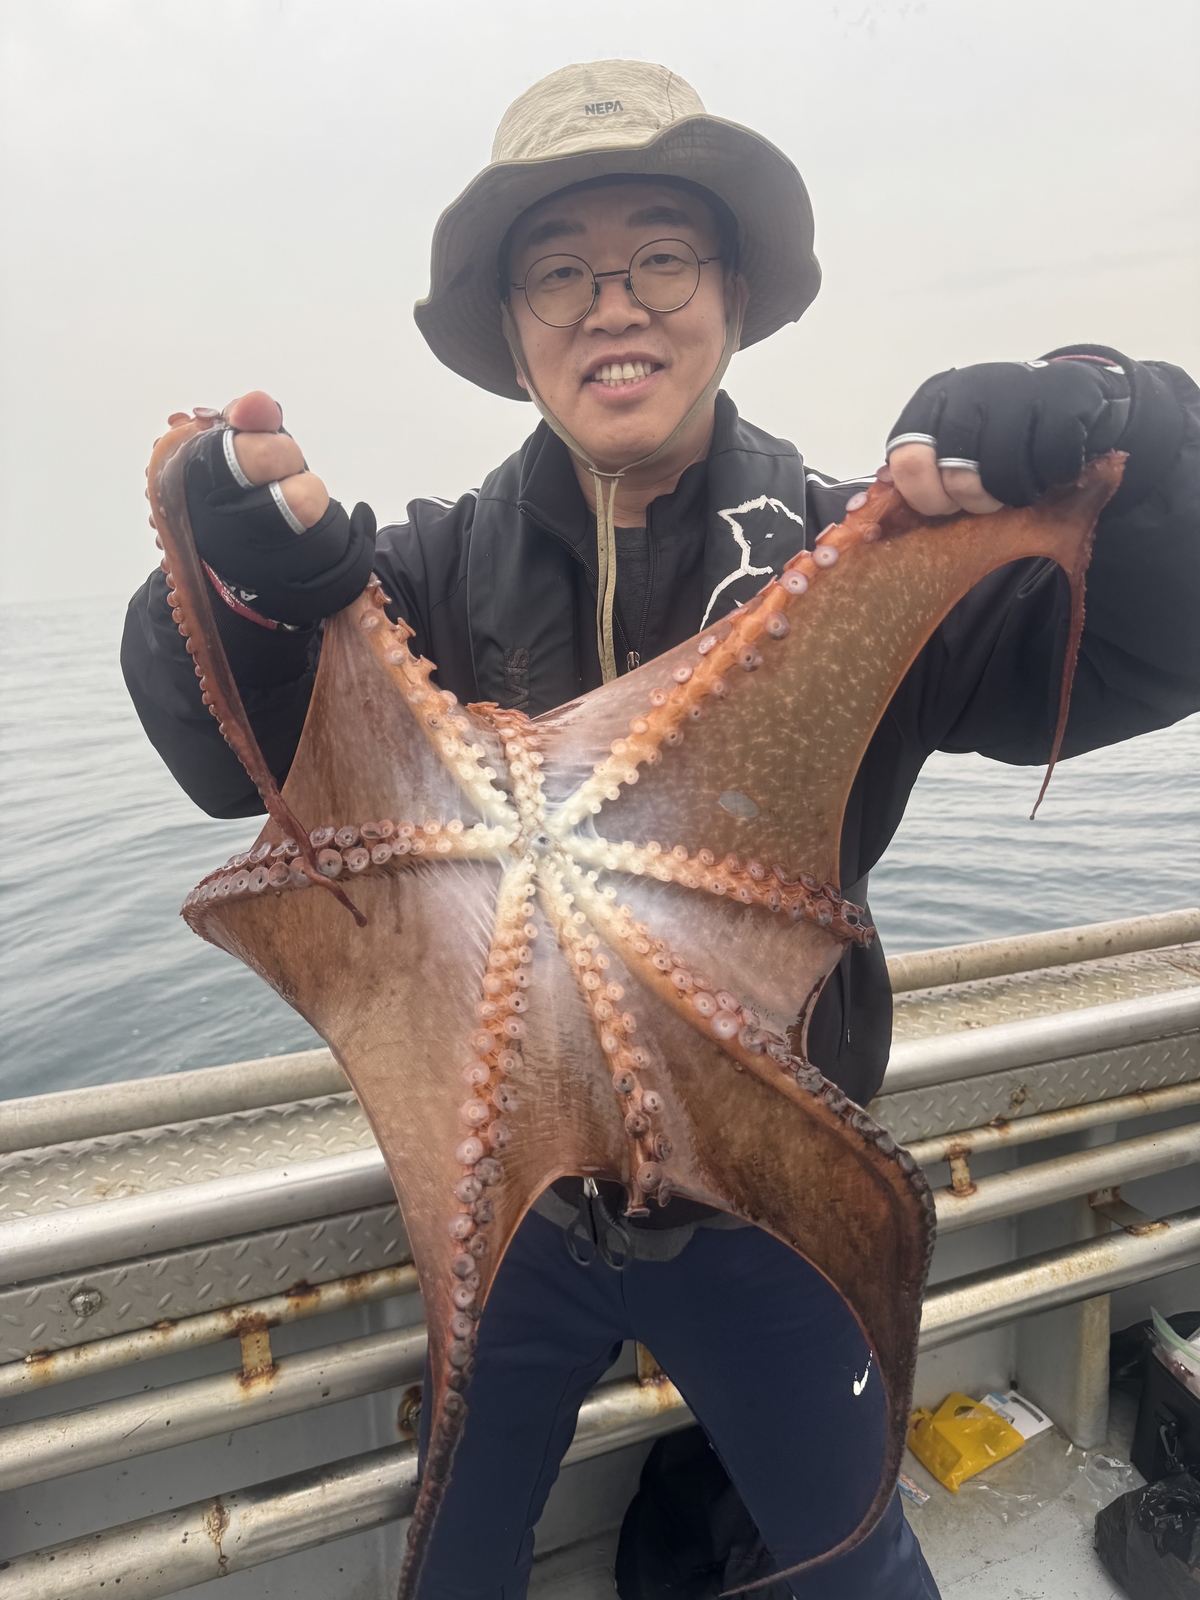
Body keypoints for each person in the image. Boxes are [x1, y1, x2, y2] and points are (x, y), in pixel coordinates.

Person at [122, 59, 1200, 1600]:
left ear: (733, 293)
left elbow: (1155, 643)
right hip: (511, 1205)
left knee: (852, 1559)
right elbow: (228, 756)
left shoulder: (850, 575)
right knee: (453, 1562)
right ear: (512, 329)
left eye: (661, 259)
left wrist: (1135, 429)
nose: (610, 304)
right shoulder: (415, 581)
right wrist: (238, 590)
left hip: (773, 1197)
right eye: (559, 272)